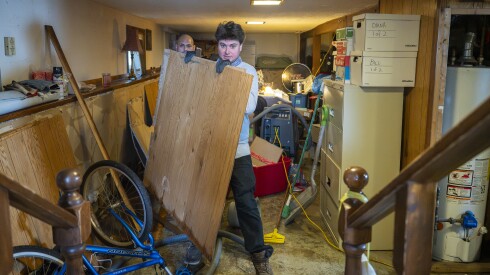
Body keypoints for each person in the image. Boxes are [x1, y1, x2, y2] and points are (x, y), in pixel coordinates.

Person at [215, 21, 274, 275]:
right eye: (222, 45)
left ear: (240, 47)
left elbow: (249, 106)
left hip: (237, 146)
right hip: (213, 144)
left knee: (246, 201)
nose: (227, 51)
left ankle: (258, 253)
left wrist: (226, 77)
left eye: (232, 46)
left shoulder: (248, 71)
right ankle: (197, 247)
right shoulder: (211, 68)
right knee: (206, 200)